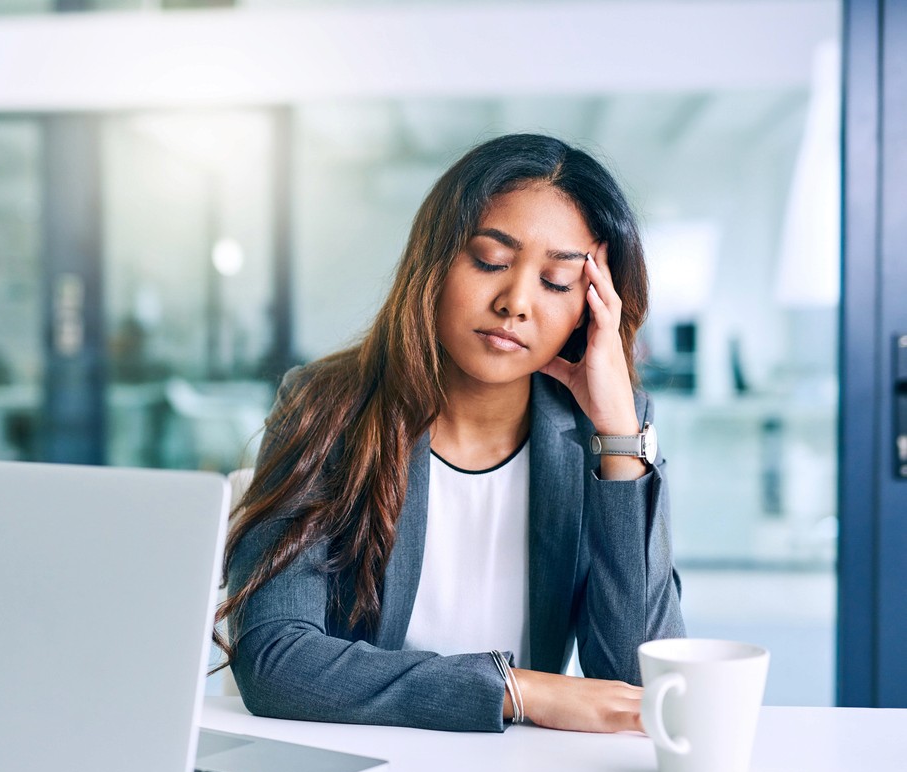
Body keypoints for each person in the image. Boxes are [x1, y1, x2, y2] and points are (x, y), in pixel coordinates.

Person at [215, 133, 686, 734]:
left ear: (592, 304)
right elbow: (276, 660)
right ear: (433, 262)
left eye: (556, 280)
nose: (516, 302)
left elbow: (640, 687)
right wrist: (514, 688)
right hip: (364, 763)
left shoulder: (600, 432)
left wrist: (619, 436)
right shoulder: (327, 406)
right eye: (490, 260)